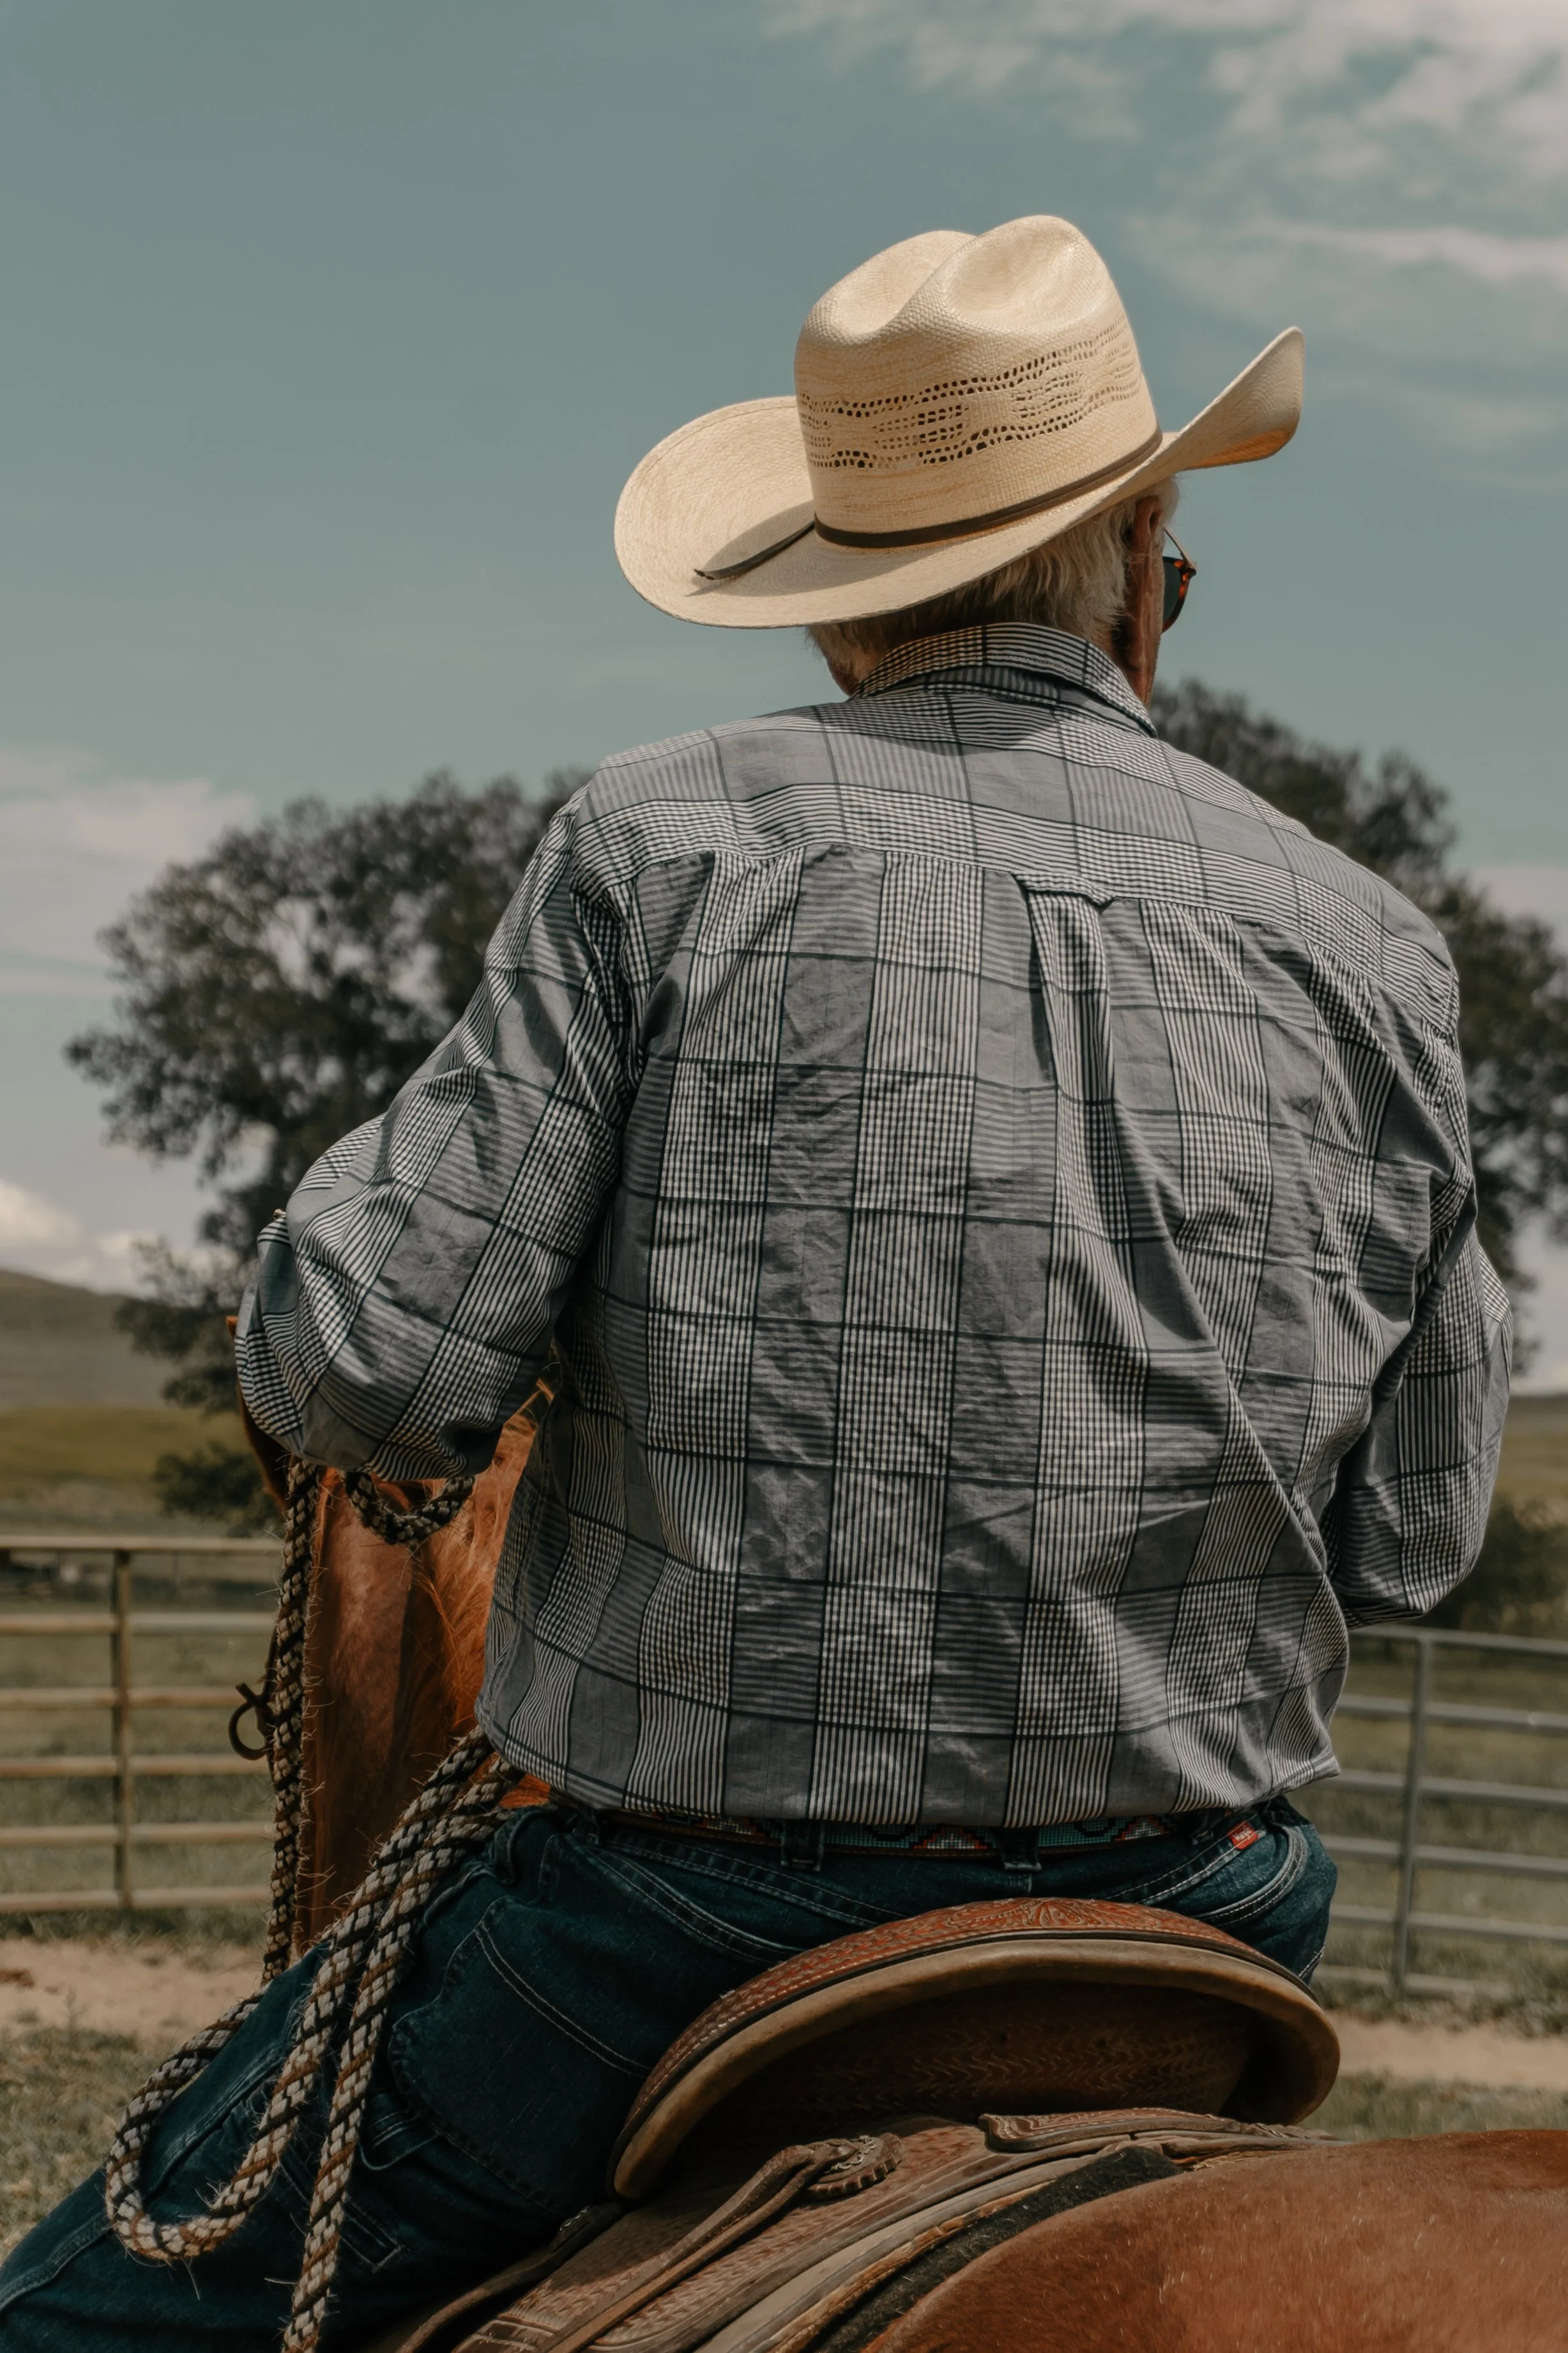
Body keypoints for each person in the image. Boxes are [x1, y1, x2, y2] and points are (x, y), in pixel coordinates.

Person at [1, 214, 1509, 2350]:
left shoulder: (659, 846)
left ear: (831, 608)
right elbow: (1419, 1534)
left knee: (75, 2322)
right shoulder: (1372, 945)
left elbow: (368, 1374)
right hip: (1204, 1901)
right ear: (1145, 555)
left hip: (678, 1908)